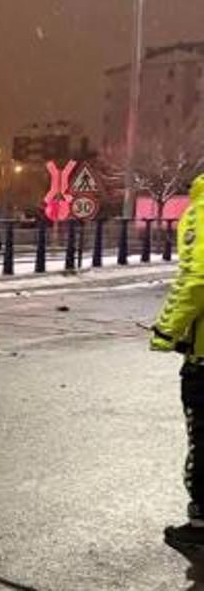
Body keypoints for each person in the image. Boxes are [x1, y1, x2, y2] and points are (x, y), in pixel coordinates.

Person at [151, 173, 204, 557]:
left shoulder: (200, 211)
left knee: (202, 440)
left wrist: (166, 331)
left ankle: (200, 526)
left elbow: (196, 278)